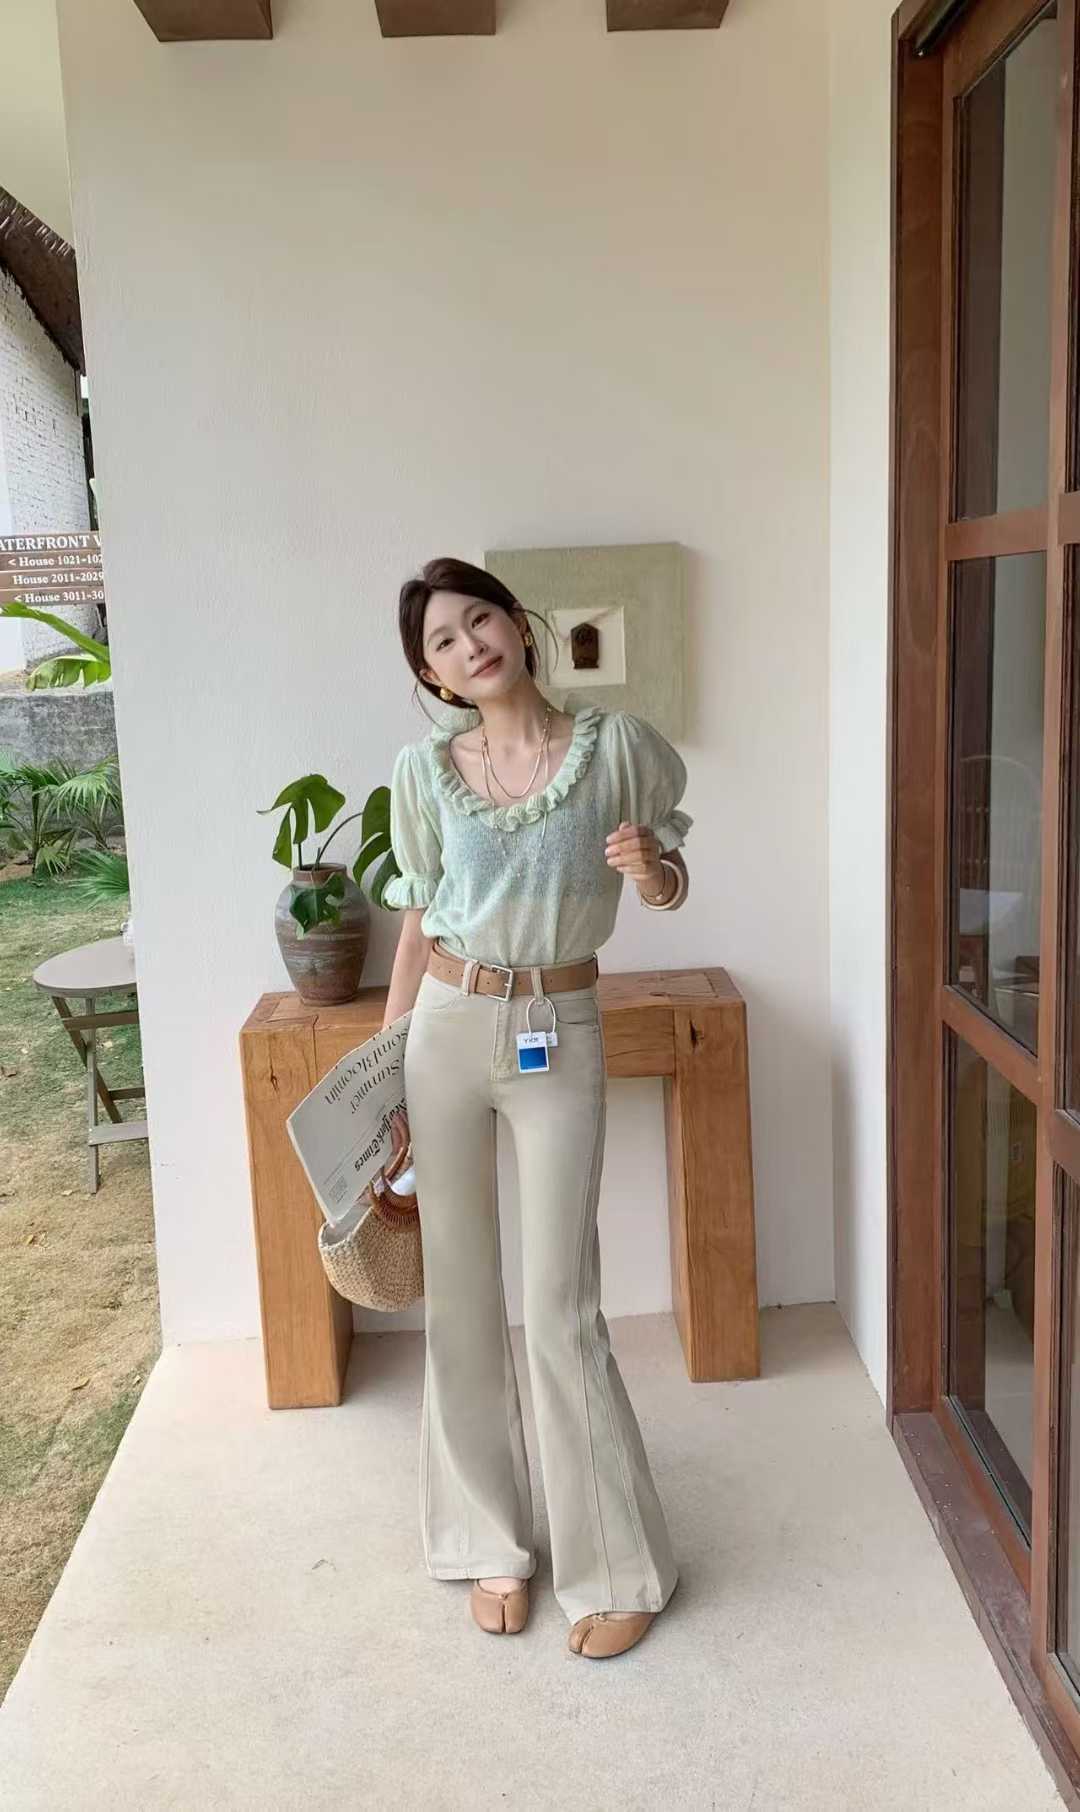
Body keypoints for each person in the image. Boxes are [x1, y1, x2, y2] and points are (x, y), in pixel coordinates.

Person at [380, 555, 692, 1661]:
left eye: (481, 619)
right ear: (434, 675)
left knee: (562, 1304)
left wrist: (649, 869)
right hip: (446, 1027)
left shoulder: (620, 749)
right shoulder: (425, 772)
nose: (471, 645)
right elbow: (418, 918)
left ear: (518, 624)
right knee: (461, 1295)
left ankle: (615, 1565)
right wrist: (387, 1062)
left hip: (561, 1025)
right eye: (444, 641)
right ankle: (486, 1541)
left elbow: (668, 884)